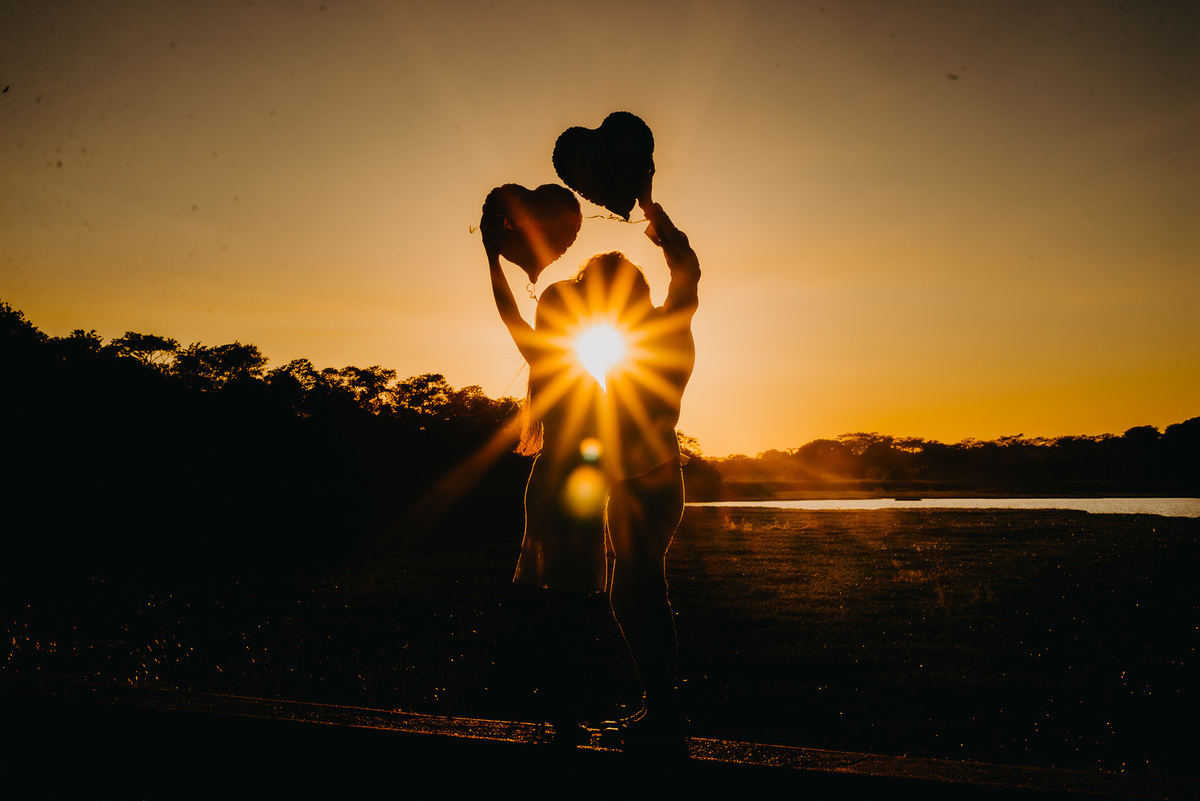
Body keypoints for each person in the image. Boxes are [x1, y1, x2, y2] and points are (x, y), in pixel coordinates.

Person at [582, 202, 700, 750]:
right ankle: (660, 708)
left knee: (638, 593)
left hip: (651, 481)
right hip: (630, 481)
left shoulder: (666, 322)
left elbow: (687, 267)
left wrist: (651, 210)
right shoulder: (623, 339)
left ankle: (664, 715)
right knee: (633, 594)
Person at [484, 228, 609, 743]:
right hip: (564, 491)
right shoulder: (555, 363)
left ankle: (560, 711)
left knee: (567, 605)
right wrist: (491, 257)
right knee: (567, 605)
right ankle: (561, 715)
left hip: (569, 488)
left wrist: (492, 256)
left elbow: (510, 312)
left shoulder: (563, 365)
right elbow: (507, 310)